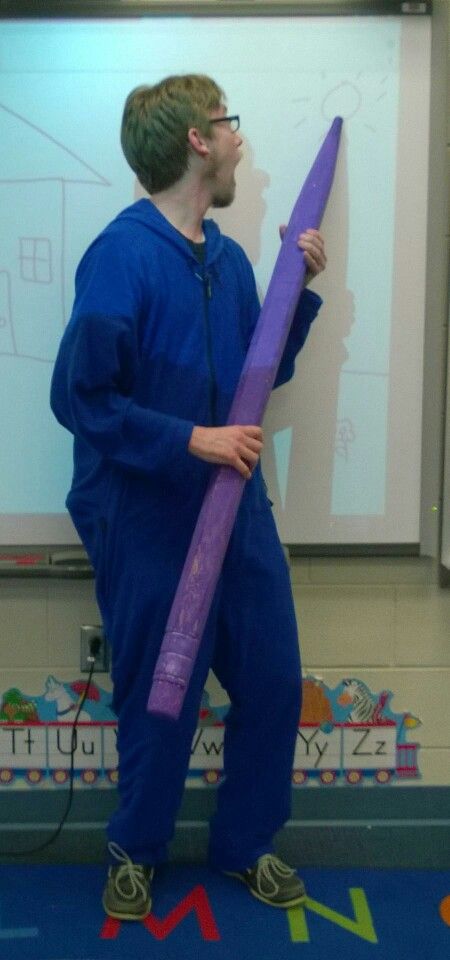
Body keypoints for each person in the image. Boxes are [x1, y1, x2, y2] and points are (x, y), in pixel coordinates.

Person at [50, 74, 327, 919]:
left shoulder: (234, 260)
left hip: (237, 513)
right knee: (158, 696)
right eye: (228, 124)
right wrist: (187, 441)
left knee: (276, 682)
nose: (240, 138)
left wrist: (296, 292)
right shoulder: (122, 256)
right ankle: (134, 850)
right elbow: (79, 398)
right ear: (197, 143)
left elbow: (260, 376)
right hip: (149, 519)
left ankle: (247, 844)